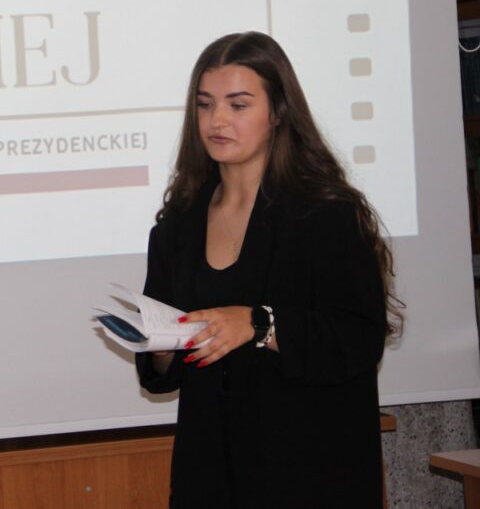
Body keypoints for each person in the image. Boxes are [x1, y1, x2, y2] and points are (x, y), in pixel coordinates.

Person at [135, 32, 403, 508]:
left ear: (278, 112)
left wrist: (258, 323)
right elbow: (162, 372)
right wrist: (159, 344)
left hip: (310, 472)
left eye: (238, 105)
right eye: (205, 104)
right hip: (211, 473)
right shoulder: (178, 224)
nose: (216, 120)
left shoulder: (325, 213)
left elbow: (359, 338)